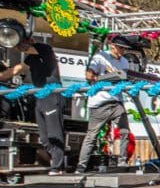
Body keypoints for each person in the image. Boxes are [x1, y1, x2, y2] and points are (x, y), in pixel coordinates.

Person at [0, 39, 65, 175]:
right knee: (44, 137)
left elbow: (27, 48)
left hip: (52, 95)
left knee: (54, 133)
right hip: (40, 97)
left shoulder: (45, 49)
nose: (20, 48)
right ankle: (56, 163)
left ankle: (57, 167)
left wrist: (16, 42)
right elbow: (14, 70)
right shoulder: (30, 59)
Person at [75, 35, 132, 173]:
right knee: (92, 136)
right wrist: (105, 78)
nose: (123, 51)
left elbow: (124, 79)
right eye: (120, 48)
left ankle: (122, 161)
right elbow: (89, 76)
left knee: (125, 131)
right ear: (112, 46)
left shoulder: (125, 62)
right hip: (100, 102)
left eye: (125, 48)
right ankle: (81, 166)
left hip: (117, 101)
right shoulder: (100, 57)